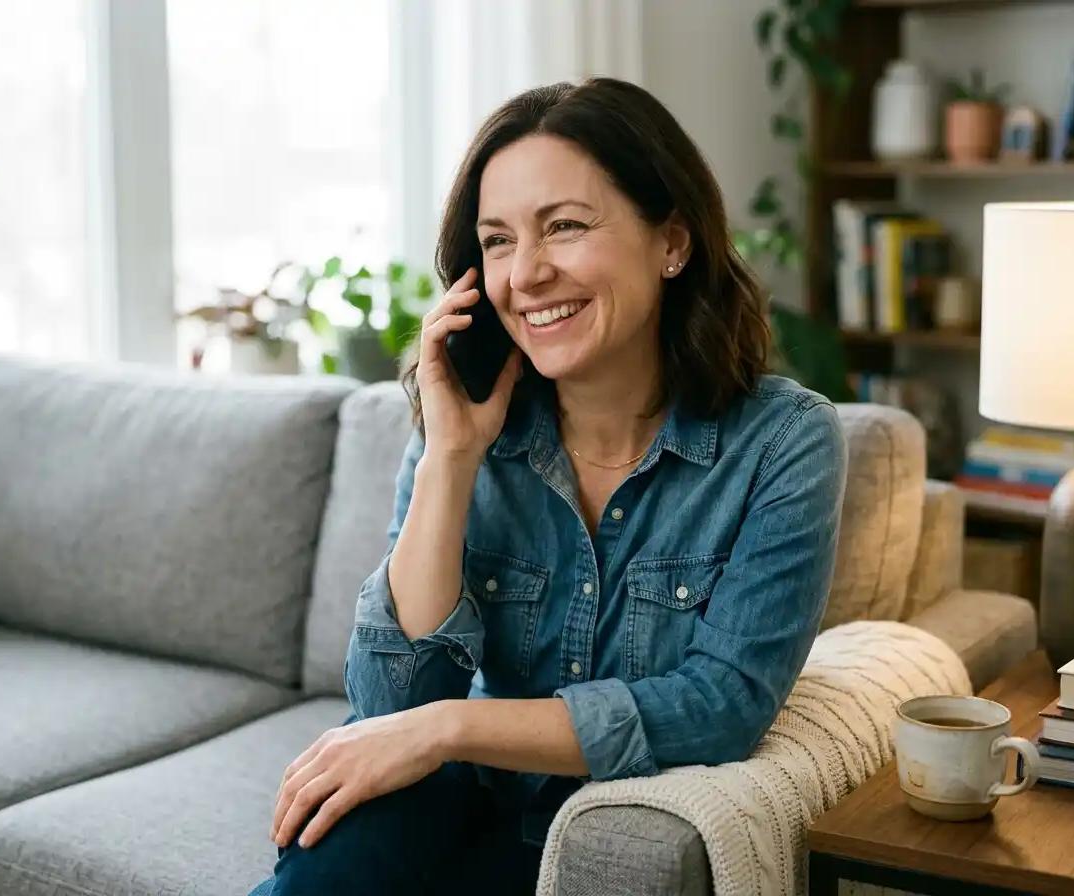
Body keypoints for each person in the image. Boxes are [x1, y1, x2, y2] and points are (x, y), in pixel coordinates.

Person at [249, 76, 848, 896]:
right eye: (496, 242)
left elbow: (721, 704)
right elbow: (393, 697)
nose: (525, 273)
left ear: (671, 241)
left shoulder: (783, 441)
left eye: (563, 227)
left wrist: (449, 726)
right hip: (454, 804)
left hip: (609, 829)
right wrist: (451, 459)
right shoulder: (464, 424)